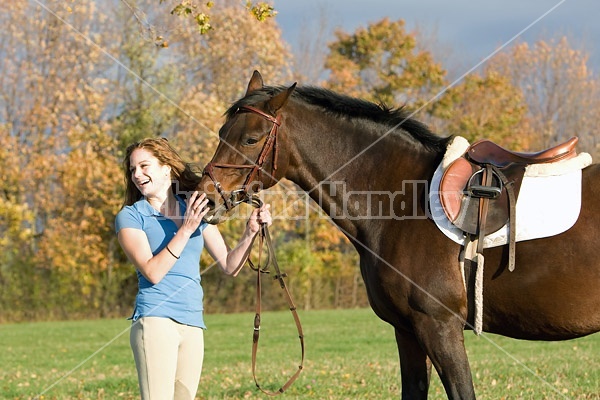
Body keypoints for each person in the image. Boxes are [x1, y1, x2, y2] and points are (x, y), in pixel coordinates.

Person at [114, 137, 271, 400]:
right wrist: (186, 229)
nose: (137, 174)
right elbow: (152, 272)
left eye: (144, 166)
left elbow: (229, 265)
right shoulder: (131, 216)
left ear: (166, 168)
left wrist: (250, 232)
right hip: (155, 320)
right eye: (132, 170)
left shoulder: (194, 209)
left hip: (193, 323)